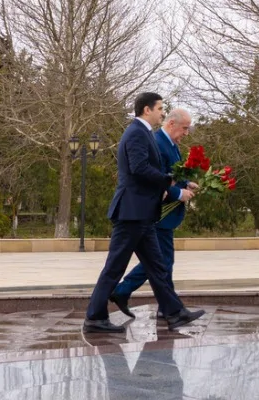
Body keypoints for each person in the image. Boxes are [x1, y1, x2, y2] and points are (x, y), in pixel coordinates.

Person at [81, 93, 205, 333]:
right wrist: (169, 182)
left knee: (158, 266)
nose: (162, 112)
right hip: (131, 212)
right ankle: (94, 317)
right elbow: (139, 168)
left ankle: (174, 312)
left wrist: (175, 182)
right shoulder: (137, 132)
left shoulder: (144, 132)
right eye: (159, 108)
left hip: (143, 213)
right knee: (114, 267)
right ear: (147, 110)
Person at [109, 105, 194, 319]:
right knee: (160, 262)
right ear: (171, 124)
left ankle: (166, 308)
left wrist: (186, 184)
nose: (186, 133)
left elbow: (172, 174)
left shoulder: (171, 144)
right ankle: (126, 292)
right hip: (156, 212)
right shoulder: (157, 142)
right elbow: (153, 177)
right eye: (184, 128)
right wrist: (177, 194)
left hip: (163, 214)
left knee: (160, 262)